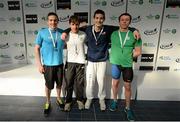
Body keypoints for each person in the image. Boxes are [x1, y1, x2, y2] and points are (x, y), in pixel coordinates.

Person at [62, 9, 140, 111]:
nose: (99, 20)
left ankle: (101, 99)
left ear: (104, 19)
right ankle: (89, 99)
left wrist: (134, 30)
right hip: (90, 60)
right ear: (94, 19)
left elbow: (122, 27)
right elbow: (73, 27)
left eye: (101, 18)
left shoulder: (107, 29)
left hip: (102, 60)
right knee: (90, 82)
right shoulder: (88, 29)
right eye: (97, 18)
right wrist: (64, 32)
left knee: (101, 81)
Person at [109, 13, 142, 121]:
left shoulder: (135, 34)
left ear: (130, 22)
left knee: (127, 87)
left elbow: (138, 51)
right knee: (115, 84)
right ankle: (114, 101)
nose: (124, 21)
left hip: (127, 65)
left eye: (127, 20)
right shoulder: (113, 33)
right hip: (115, 63)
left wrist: (129, 56)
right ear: (119, 21)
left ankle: (127, 108)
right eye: (122, 20)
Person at [34, 12, 65, 116]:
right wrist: (39, 64)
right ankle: (47, 102)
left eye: (55, 20)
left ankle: (58, 98)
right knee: (48, 85)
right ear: (47, 21)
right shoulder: (42, 32)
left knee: (59, 84)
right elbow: (36, 48)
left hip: (60, 64)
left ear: (58, 21)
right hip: (47, 65)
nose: (53, 22)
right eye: (51, 20)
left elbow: (65, 45)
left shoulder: (62, 33)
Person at [63, 15, 87, 112]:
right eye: (73, 24)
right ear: (70, 25)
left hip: (80, 62)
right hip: (70, 62)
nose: (75, 27)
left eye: (77, 24)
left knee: (80, 83)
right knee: (69, 83)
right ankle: (68, 102)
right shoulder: (66, 35)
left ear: (79, 25)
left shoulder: (84, 34)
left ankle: (80, 100)